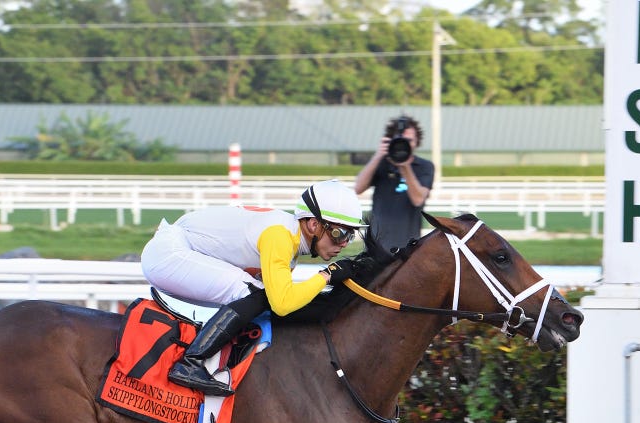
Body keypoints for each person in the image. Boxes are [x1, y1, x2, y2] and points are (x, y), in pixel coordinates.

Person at [140, 178, 367, 397]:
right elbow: (282, 303)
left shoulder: (290, 241)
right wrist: (326, 275)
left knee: (258, 295)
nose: (343, 243)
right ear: (313, 224)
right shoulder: (280, 236)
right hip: (169, 254)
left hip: (179, 250)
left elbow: (283, 300)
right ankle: (190, 362)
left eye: (350, 235)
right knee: (252, 293)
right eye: (339, 233)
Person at [354, 115, 435, 255]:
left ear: (417, 142)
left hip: (408, 247)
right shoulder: (382, 163)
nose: (404, 144)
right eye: (400, 140)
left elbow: (418, 199)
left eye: (409, 140)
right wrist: (378, 156)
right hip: (377, 246)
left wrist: (405, 166)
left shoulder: (424, 166)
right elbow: (358, 188)